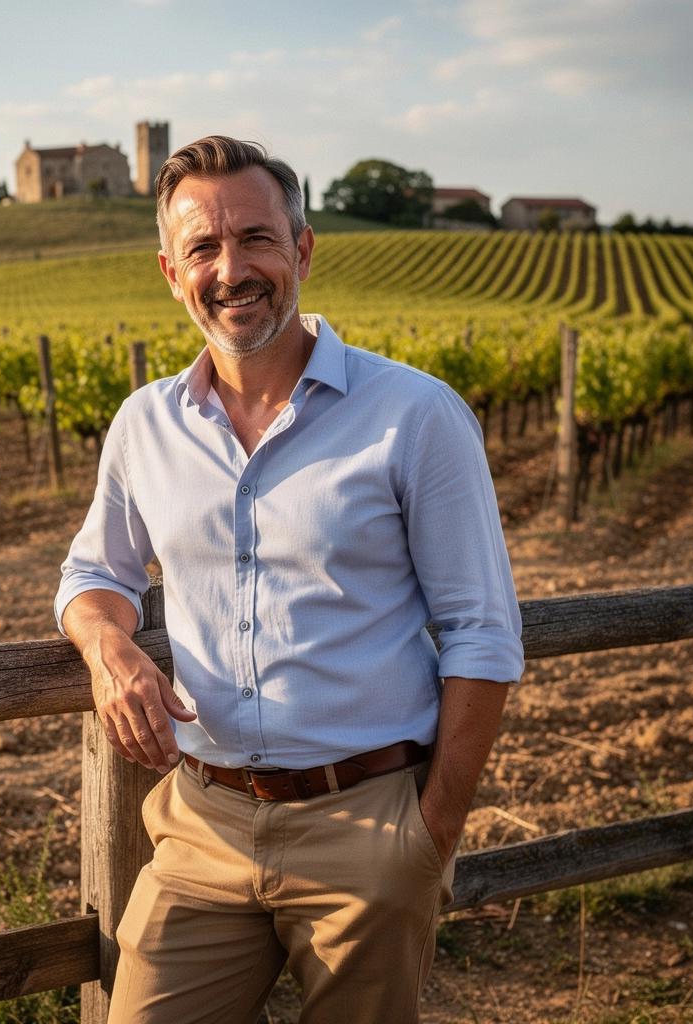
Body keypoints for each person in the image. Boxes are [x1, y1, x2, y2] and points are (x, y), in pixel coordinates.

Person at [55, 135, 524, 1024]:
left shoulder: (416, 415)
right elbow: (94, 570)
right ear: (172, 272)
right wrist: (107, 646)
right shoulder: (145, 424)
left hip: (369, 825)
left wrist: (427, 838)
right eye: (202, 247)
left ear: (302, 249)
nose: (231, 270)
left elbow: (483, 633)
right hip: (201, 824)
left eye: (256, 239)